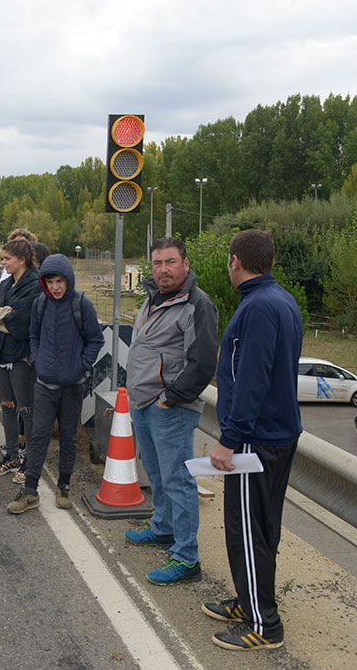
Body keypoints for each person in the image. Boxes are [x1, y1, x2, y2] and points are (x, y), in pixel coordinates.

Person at [205, 230, 303, 651]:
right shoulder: (280, 300)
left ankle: (264, 624)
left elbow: (252, 379)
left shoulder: (258, 307)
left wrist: (230, 439)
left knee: (246, 530)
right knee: (261, 528)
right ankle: (250, 602)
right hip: (275, 434)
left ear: (234, 261)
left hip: (256, 439)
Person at [123, 237, 219, 585]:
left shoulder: (197, 304)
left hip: (171, 406)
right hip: (145, 402)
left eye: (170, 262)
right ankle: (163, 528)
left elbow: (204, 360)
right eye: (157, 263)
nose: (163, 269)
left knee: (178, 480)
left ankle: (185, 557)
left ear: (185, 264)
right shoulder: (153, 297)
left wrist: (171, 397)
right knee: (157, 473)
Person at [6, 254, 105, 514]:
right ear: (44, 283)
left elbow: (96, 340)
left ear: (68, 280)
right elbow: (33, 335)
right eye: (50, 282)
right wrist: (38, 361)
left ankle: (63, 486)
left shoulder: (81, 304)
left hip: (73, 386)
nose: (55, 287)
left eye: (60, 281)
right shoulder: (40, 303)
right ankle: (30, 491)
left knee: (68, 438)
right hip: (44, 383)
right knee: (38, 437)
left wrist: (80, 366)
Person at [0, 239, 40, 468]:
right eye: (2, 258)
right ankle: (12, 454)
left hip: (20, 356)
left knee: (26, 409)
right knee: (7, 406)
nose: (3, 263)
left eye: (7, 259)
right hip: (0, 353)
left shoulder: (34, 285)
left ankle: (31, 459)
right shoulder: (5, 284)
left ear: (22, 259)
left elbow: (20, 321)